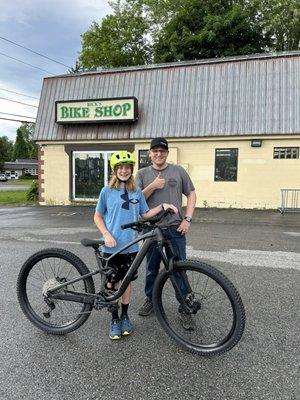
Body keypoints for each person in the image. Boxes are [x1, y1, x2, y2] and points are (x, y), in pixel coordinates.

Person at [94, 150, 178, 340]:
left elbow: (144, 214)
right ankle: (114, 319)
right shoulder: (106, 191)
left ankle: (124, 316)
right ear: (114, 170)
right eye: (120, 168)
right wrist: (106, 234)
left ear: (131, 170)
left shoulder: (136, 191)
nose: (124, 171)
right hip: (112, 247)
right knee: (113, 283)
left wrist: (163, 206)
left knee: (127, 282)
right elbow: (97, 216)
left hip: (132, 245)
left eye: (127, 168)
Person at [135, 137, 197, 330]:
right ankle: (150, 300)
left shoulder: (178, 171)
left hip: (175, 229)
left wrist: (187, 219)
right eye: (155, 151)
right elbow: (136, 200)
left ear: (167, 153)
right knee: (152, 268)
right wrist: (152, 186)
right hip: (151, 230)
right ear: (150, 153)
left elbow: (192, 194)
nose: (159, 154)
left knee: (179, 269)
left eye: (162, 151)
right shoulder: (142, 173)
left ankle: (185, 307)